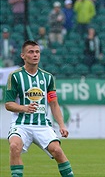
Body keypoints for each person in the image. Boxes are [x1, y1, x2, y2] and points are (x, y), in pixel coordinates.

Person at [5, 40, 74, 177]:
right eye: (31, 52)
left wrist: (62, 125)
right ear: (23, 56)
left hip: (42, 125)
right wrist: (24, 108)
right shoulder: (15, 76)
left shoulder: (48, 77)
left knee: (57, 151)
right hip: (21, 124)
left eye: (37, 52)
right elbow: (8, 104)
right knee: (14, 146)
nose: (35, 55)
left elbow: (54, 103)